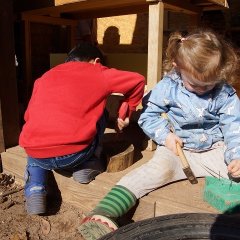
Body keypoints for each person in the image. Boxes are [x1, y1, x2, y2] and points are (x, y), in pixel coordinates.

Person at [78, 28, 240, 240]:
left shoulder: (224, 92)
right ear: (177, 67)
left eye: (209, 84)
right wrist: (165, 136)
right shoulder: (167, 87)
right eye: (195, 85)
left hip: (216, 149)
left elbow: (234, 126)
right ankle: (104, 212)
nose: (203, 90)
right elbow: (148, 117)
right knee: (155, 171)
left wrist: (235, 155)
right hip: (177, 149)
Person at [19, 42, 145, 215]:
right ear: (96, 61)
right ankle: (89, 163)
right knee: (100, 112)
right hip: (75, 154)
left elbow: (29, 116)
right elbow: (138, 80)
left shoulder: (44, 77)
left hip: (37, 154)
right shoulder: (97, 71)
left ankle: (35, 187)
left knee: (36, 136)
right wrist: (125, 111)